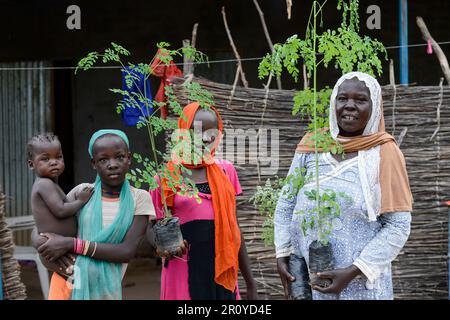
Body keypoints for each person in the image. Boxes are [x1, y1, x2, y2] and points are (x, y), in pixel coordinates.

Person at [274, 72, 413, 300]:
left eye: (360, 100)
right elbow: (286, 205)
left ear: (375, 105)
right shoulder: (313, 145)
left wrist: (354, 271)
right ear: (333, 103)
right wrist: (283, 253)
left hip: (362, 286)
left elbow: (398, 226)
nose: (349, 106)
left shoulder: (384, 153)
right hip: (310, 282)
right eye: (342, 99)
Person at [149, 102, 258, 300]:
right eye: (195, 131)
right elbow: (152, 228)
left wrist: (251, 283)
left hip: (221, 267)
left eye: (211, 133)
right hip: (182, 268)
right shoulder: (165, 178)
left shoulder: (226, 172)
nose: (204, 139)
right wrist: (163, 245)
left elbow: (234, 228)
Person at [32, 129, 155, 300]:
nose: (112, 164)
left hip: (104, 289)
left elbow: (126, 251)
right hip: (66, 284)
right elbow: (46, 223)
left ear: (129, 158)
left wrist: (71, 244)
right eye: (103, 159)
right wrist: (39, 240)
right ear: (93, 163)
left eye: (119, 157)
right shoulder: (82, 193)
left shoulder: (140, 199)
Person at [27, 133, 93, 237]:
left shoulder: (49, 183)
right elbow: (61, 210)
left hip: (60, 245)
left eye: (58, 157)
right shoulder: (44, 184)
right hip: (55, 247)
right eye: (45, 159)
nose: (54, 162)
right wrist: (81, 201)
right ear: (31, 164)